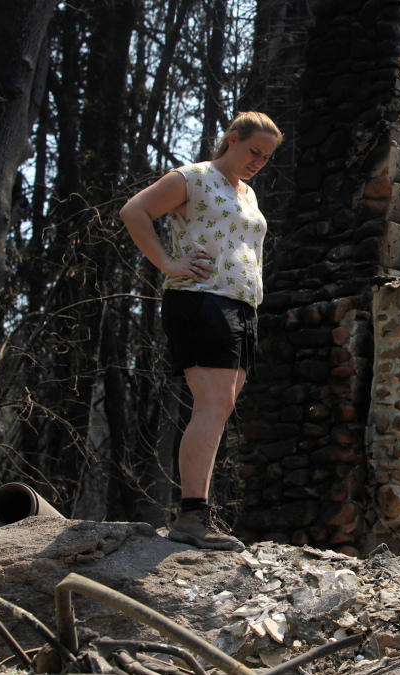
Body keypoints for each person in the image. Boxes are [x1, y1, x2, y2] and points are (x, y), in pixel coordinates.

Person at [120, 111, 282, 550]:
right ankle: (191, 517)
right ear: (231, 139)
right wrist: (168, 264)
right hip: (200, 299)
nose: (258, 162)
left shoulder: (248, 194)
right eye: (254, 151)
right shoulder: (192, 178)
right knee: (213, 403)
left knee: (221, 405)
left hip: (242, 306)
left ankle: (195, 516)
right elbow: (134, 211)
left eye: (266, 157)